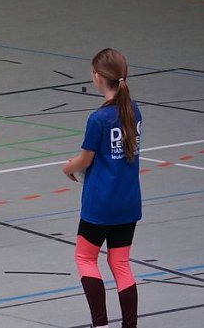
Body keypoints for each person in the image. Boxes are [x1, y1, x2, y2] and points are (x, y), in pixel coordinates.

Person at [62, 48, 142, 328]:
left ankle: (101, 324)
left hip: (100, 205)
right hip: (129, 203)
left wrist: (68, 167)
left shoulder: (98, 119)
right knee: (120, 264)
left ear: (98, 78)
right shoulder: (134, 111)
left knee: (85, 258)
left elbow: (86, 159)